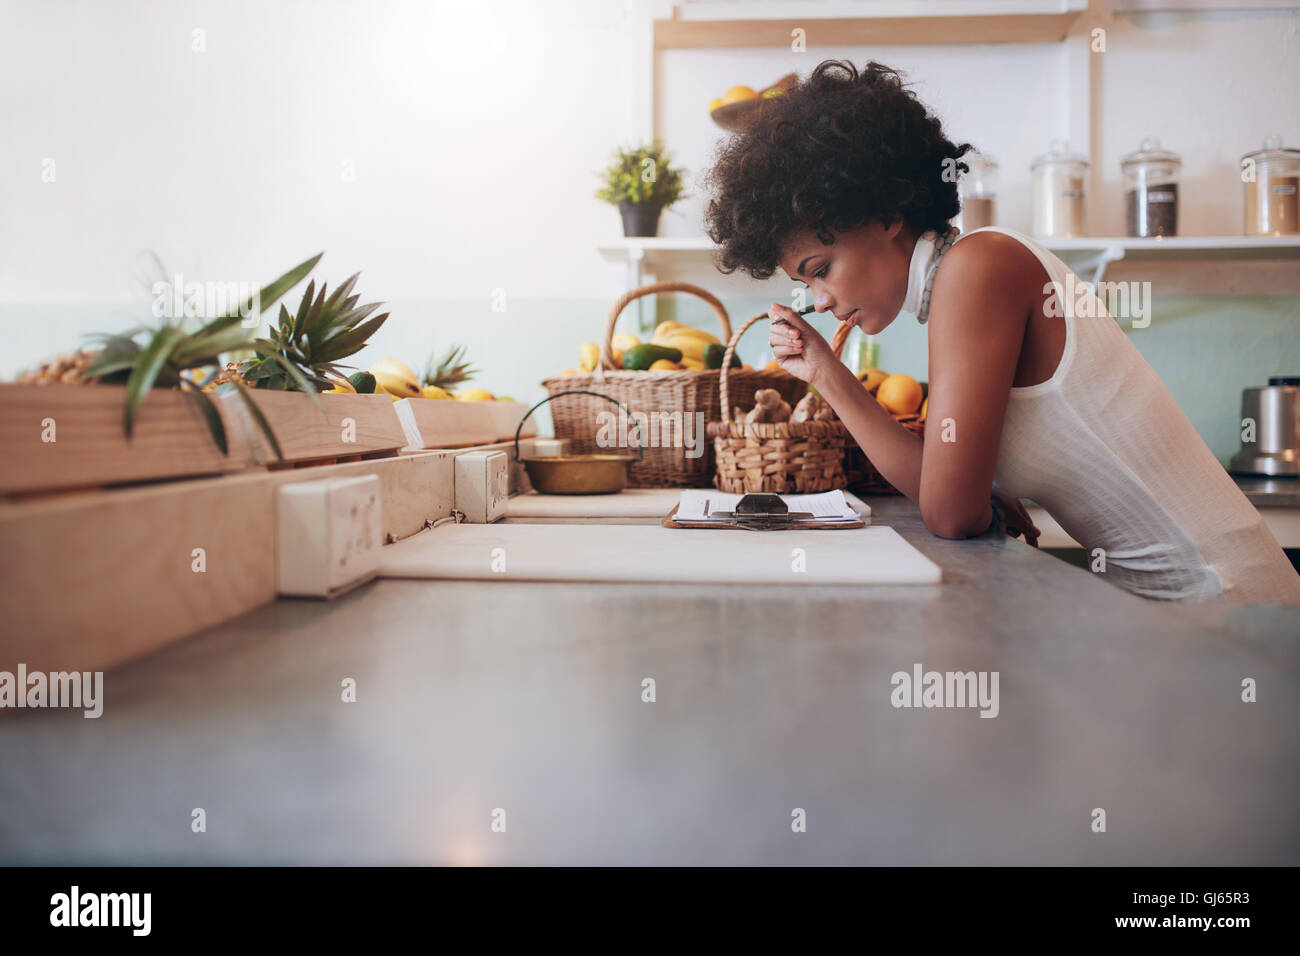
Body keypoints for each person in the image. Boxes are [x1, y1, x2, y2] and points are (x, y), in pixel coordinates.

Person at [702, 58, 1300, 605]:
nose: (822, 301)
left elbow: (951, 513)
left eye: (821, 271)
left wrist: (964, 494)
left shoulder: (978, 269)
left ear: (887, 215)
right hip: (1172, 611)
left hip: (1231, 608)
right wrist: (826, 376)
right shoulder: (962, 278)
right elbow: (945, 487)